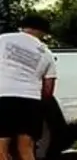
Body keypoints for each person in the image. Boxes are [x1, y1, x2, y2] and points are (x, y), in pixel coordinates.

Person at [0, 15, 56, 160]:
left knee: (1, 148)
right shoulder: (47, 53)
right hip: (31, 101)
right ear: (43, 32)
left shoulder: (3, 39)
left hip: (4, 98)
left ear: (23, 27)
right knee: (26, 149)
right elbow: (48, 89)